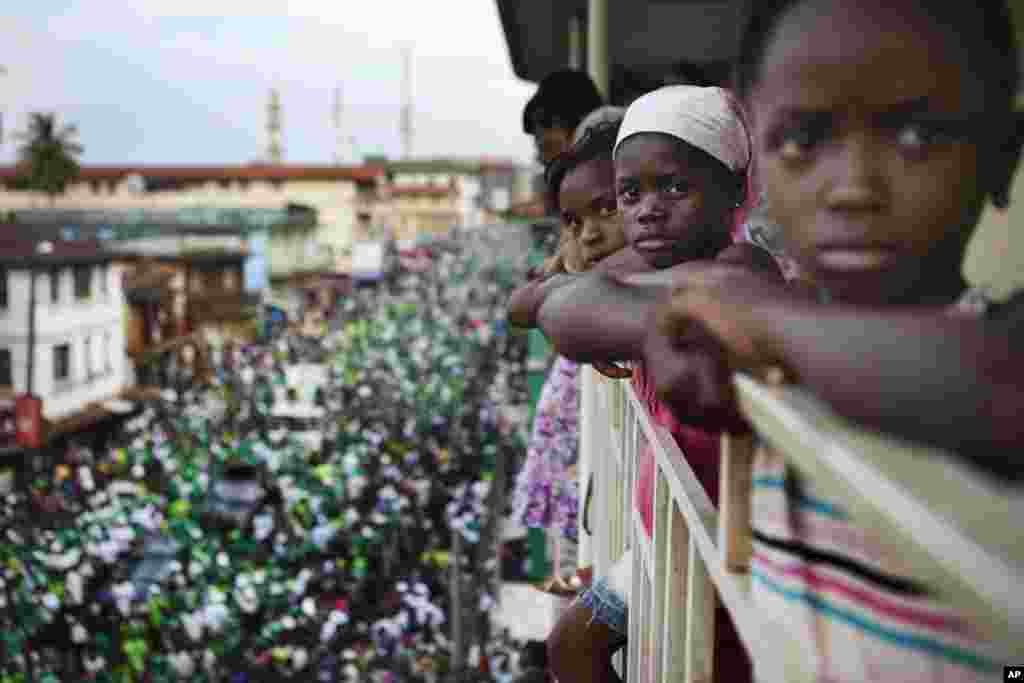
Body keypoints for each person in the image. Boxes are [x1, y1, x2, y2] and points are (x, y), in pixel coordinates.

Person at [641, 0, 1024, 679]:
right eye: (800, 142)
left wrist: (765, 321)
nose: (854, 188)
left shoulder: (992, 350)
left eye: (916, 135)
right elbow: (569, 305)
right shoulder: (755, 339)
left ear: (1003, 157)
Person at [511, 85, 780, 683]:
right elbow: (532, 305)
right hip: (668, 539)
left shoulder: (745, 267)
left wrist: (604, 308)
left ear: (733, 190)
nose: (648, 210)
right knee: (570, 646)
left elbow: (565, 305)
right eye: (631, 193)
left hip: (727, 551)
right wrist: (598, 304)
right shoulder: (649, 264)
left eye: (675, 188)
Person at [511, 118, 627, 601]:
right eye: (576, 223)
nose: (590, 235)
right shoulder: (594, 282)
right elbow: (521, 305)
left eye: (608, 208)